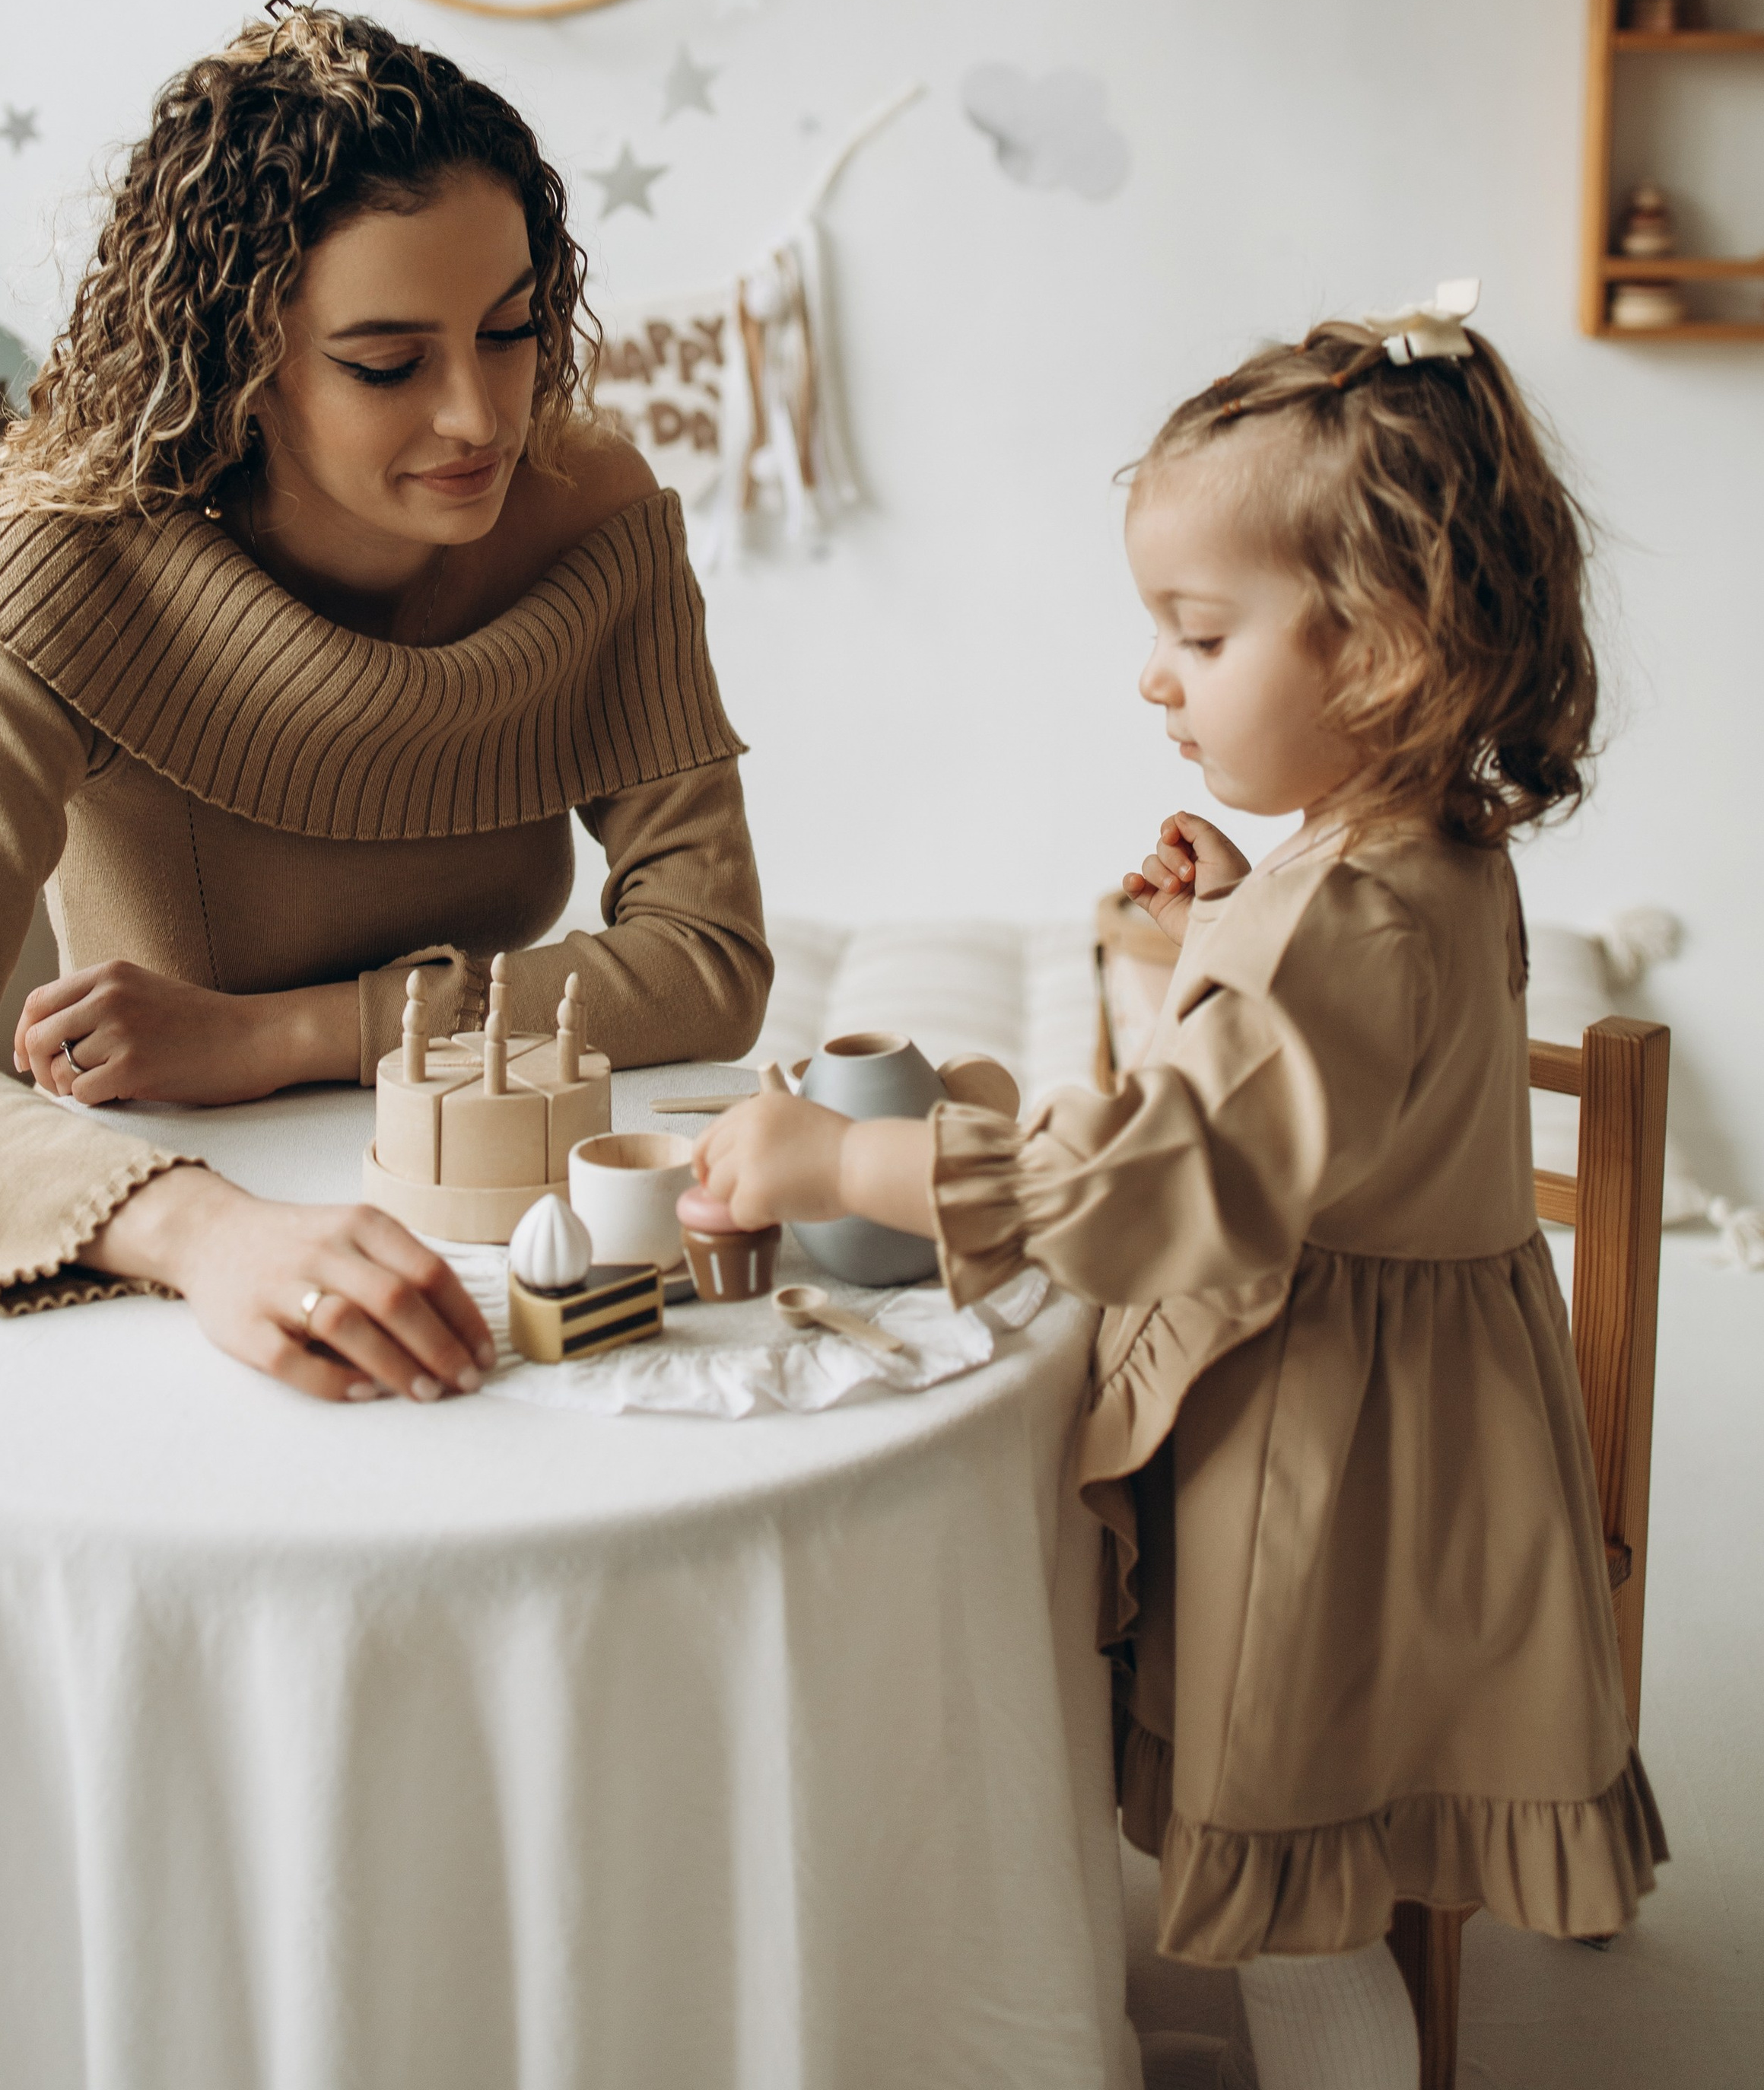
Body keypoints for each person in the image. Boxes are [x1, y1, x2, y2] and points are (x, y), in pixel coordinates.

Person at [691, 288, 1664, 2090]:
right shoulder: (1422, 852)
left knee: (1284, 1922)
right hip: (1443, 1410)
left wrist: (846, 1161)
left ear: (1378, 652)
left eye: (1196, 634)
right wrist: (1228, 910)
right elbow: (1339, 1082)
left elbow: (1154, 1187)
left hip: (1343, 1467)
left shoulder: (1347, 918)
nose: (1152, 676)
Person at [0, 5, 769, 1405]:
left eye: (512, 332)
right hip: (181, 1232)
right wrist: (206, 1232)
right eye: (388, 363)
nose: (481, 418)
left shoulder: (595, 518)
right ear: (239, 358)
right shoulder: (63, 562)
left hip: (495, 1187)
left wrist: (285, 1035)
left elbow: (709, 963)